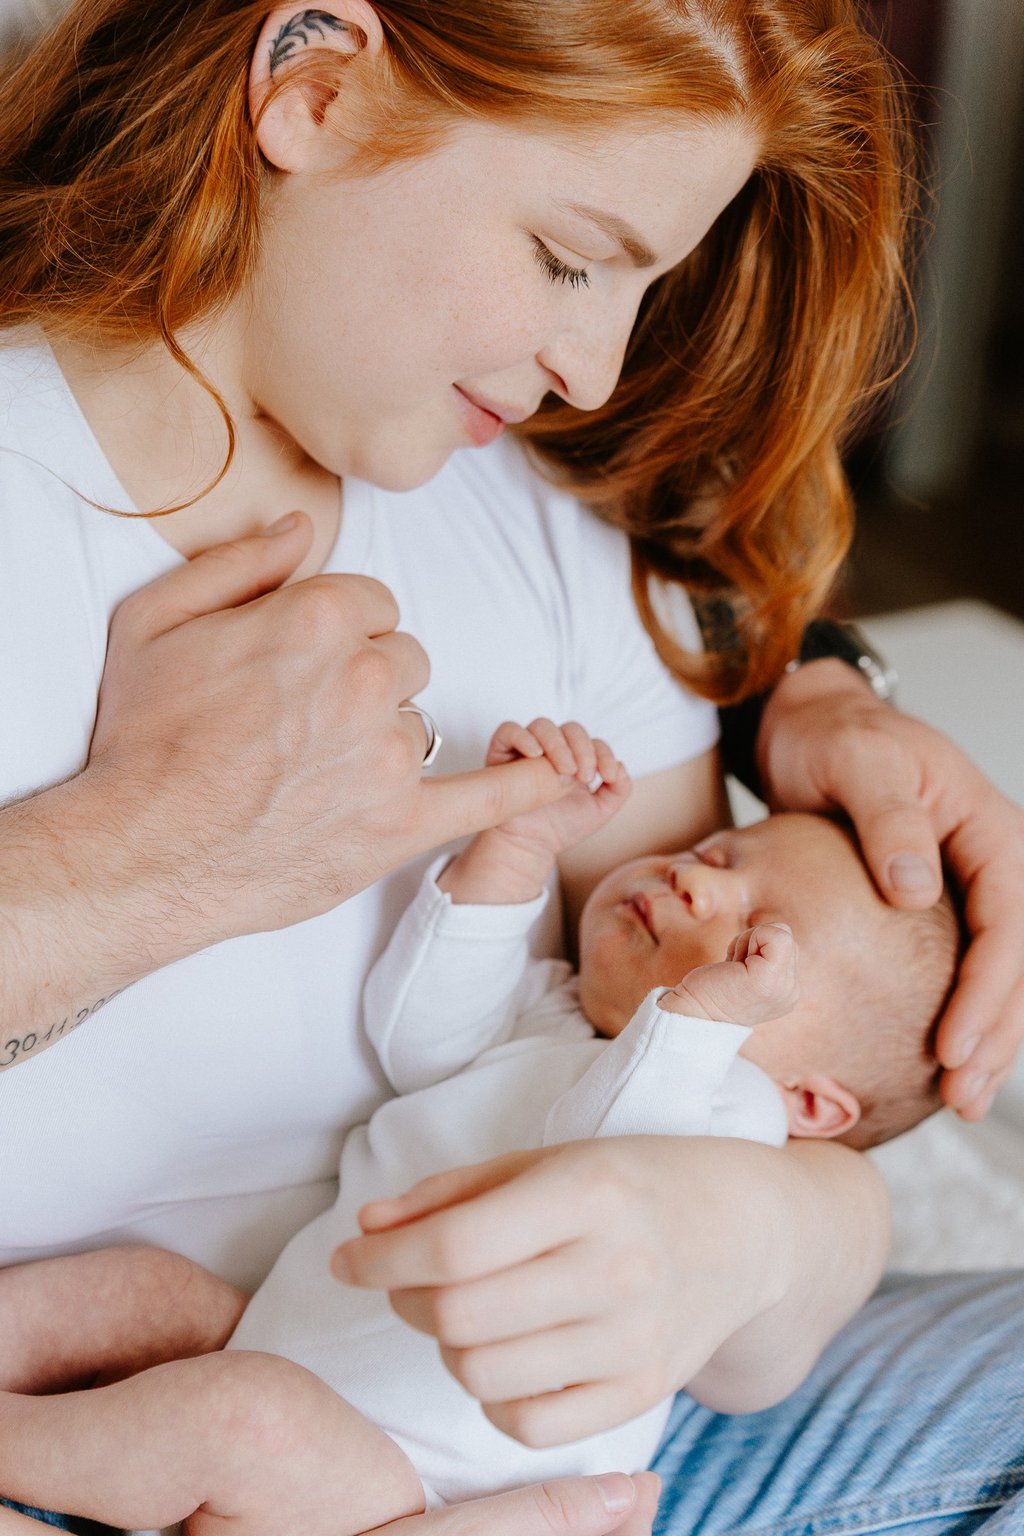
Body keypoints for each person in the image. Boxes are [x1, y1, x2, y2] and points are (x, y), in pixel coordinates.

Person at [1, 2, 1024, 1534]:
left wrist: (738, 1240)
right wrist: (138, 859)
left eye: (644, 283)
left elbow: (771, 1123)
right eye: (569, 255)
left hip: (525, 1471)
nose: (596, 369)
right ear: (317, 84)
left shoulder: (546, 538)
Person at [0, 720, 960, 1533]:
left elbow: (606, 1167)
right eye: (714, 855)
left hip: (413, 1483)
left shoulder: (732, 1111)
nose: (696, 883)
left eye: (760, 928)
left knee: (241, 1420)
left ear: (814, 1102)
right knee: (139, 1291)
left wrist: (703, 1017)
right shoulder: (559, 1016)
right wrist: (517, 850)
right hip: (277, 1338)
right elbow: (423, 1036)